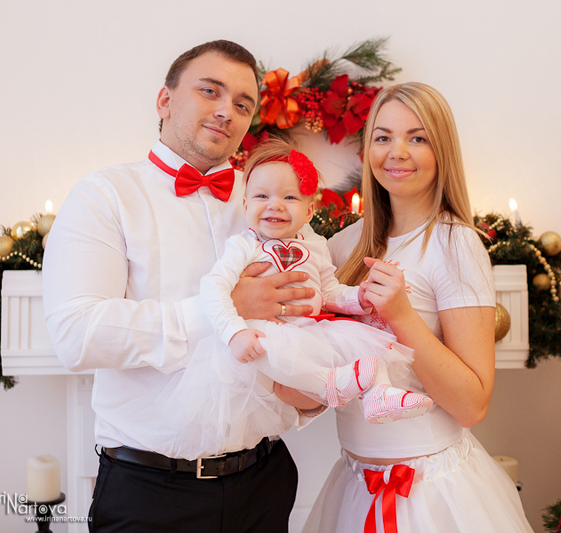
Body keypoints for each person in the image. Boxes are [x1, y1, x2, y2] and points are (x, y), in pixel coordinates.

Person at [42, 40, 317, 533]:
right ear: (164, 101)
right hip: (148, 492)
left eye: (243, 104)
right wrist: (220, 310)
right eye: (210, 91)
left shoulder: (273, 197)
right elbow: (76, 334)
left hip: (266, 479)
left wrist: (313, 394)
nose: (226, 111)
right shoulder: (104, 196)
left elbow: (311, 301)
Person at [301, 82, 535, 533]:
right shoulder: (341, 247)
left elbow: (472, 405)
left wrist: (402, 316)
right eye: (383, 137)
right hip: (354, 485)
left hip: (431, 493)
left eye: (417, 137)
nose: (397, 152)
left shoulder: (455, 244)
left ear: (441, 149)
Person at [143, 140, 433, 460]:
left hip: (308, 332)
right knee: (267, 351)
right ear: (245, 204)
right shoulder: (244, 245)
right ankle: (329, 383)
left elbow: (328, 292)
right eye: (262, 196)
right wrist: (234, 332)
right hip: (260, 332)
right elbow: (215, 288)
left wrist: (359, 297)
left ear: (309, 210)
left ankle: (380, 393)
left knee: (362, 341)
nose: (275, 205)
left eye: (289, 197)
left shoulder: (315, 244)